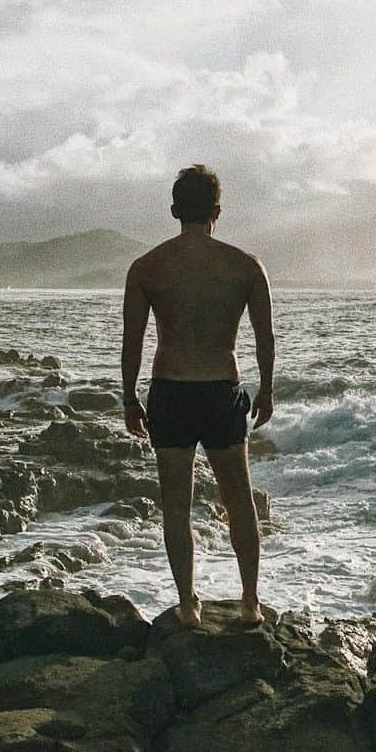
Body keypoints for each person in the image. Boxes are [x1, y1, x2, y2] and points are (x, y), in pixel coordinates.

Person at [120, 164, 274, 628]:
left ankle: (188, 604)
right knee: (239, 500)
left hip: (169, 391)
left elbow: (133, 340)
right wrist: (266, 390)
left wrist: (129, 398)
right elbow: (265, 337)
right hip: (221, 392)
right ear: (217, 212)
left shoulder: (147, 267)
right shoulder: (244, 266)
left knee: (175, 505)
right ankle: (250, 602)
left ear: (173, 211)